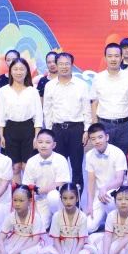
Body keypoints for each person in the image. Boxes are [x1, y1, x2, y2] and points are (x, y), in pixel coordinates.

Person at [43, 52, 91, 192]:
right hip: (57, 130)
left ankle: (77, 201)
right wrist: (50, 132)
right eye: (61, 64)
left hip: (77, 129)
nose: (64, 67)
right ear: (56, 65)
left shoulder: (81, 85)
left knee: (77, 168)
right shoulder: (50, 85)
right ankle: (59, 199)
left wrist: (86, 130)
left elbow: (86, 109)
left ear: (72, 65)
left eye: (67, 64)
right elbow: (47, 110)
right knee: (59, 167)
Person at [0, 57, 42, 183]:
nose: (18, 72)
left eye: (22, 69)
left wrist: (36, 136)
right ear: (10, 71)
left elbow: (38, 116)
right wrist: (1, 135)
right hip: (10, 130)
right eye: (15, 69)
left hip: (28, 129)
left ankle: (29, 193)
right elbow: (0, 115)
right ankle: (17, 194)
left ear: (27, 71)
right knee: (15, 167)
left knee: (27, 167)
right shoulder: (4, 90)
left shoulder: (33, 91)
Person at [91, 43, 128, 156]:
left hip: (125, 125)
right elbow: (94, 103)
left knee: (123, 158)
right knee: (104, 157)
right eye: (110, 56)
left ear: (122, 57)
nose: (113, 59)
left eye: (116, 56)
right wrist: (95, 126)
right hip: (104, 125)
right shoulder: (98, 78)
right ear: (105, 58)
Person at [84, 123, 128, 232]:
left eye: (100, 137)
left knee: (110, 201)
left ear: (107, 137)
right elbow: (90, 182)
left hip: (115, 191)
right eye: (93, 139)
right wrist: (89, 204)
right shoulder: (89, 155)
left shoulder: (118, 153)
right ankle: (105, 216)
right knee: (88, 227)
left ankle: (114, 222)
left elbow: (119, 180)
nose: (97, 141)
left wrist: (105, 188)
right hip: (99, 194)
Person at [38, 184, 96, 254]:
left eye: (71, 198)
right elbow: (56, 240)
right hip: (60, 249)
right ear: (61, 199)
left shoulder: (82, 216)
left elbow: (81, 241)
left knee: (92, 252)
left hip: (77, 249)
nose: (68, 202)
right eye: (65, 198)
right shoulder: (57, 216)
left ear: (77, 199)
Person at [23, 130, 70, 222]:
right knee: (40, 224)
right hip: (39, 198)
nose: (43, 145)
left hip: (57, 197)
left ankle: (59, 218)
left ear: (54, 145)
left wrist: (39, 190)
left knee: (53, 196)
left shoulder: (61, 159)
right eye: (40, 142)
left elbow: (61, 183)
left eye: (47, 142)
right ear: (36, 143)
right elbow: (27, 186)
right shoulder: (31, 161)